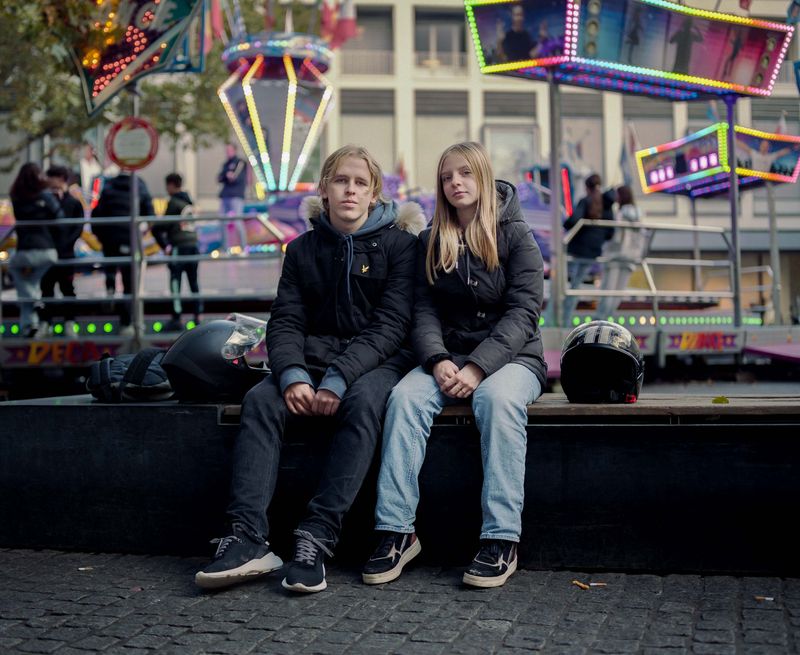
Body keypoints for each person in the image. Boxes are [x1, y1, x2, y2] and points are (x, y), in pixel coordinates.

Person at [195, 145, 425, 593]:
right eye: (341, 181)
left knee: (365, 402)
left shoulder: (401, 247)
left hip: (380, 359)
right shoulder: (301, 249)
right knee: (260, 401)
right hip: (314, 358)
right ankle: (247, 537)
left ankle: (317, 536)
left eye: (360, 183)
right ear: (324, 189)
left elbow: (392, 325)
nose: (350, 190)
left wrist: (337, 379)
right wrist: (293, 375)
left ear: (374, 193)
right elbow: (285, 321)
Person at [362, 142, 547, 589]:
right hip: (450, 356)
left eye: (464, 173)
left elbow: (524, 313)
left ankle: (501, 538)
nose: (455, 183)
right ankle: (396, 531)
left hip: (514, 358)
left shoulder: (517, 235)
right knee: (404, 398)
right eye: (447, 177)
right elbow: (423, 309)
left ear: (482, 176)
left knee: (497, 401)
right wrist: (437, 358)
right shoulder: (432, 239)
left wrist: (479, 368)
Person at [91, 172, 155, 335]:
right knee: (129, 281)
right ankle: (126, 322)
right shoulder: (140, 185)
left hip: (110, 237)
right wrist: (143, 230)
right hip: (129, 238)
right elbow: (150, 214)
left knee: (110, 266)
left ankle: (110, 286)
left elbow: (97, 213)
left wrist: (101, 236)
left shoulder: (109, 185)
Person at [8, 163, 61, 337]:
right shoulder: (45, 195)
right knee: (30, 284)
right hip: (47, 250)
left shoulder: (16, 196)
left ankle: (31, 313)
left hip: (25, 250)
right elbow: (58, 215)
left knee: (15, 270)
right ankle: (30, 323)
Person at [562, 173, 615, 325]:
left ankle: (564, 319)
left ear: (587, 187)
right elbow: (610, 232)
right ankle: (566, 318)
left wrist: (565, 224)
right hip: (593, 251)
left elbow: (573, 220)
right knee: (576, 284)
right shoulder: (607, 205)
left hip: (578, 249)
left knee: (568, 285)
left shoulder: (585, 201)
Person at [151, 173, 202, 332]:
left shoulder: (173, 203)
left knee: (175, 283)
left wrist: (164, 245)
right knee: (193, 282)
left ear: (171, 185)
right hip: (193, 247)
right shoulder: (189, 202)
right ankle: (198, 315)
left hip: (179, 247)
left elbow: (161, 226)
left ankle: (177, 317)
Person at [39, 166, 85, 337]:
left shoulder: (73, 203)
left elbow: (78, 228)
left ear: (61, 179)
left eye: (52, 177)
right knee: (46, 288)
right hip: (49, 252)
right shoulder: (44, 201)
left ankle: (69, 322)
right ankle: (46, 323)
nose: (49, 181)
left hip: (65, 253)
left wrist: (66, 244)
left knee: (67, 288)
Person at [596, 186, 649, 319]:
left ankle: (601, 320)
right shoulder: (638, 214)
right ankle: (609, 319)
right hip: (631, 257)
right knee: (618, 293)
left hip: (616, 256)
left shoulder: (620, 213)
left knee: (608, 291)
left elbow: (616, 237)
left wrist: (606, 248)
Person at [217, 143, 248, 252]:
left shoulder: (240, 162)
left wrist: (230, 177)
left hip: (236, 196)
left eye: (229, 150)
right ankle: (225, 249)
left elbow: (237, 178)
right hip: (225, 195)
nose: (228, 152)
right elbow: (220, 178)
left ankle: (244, 248)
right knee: (222, 222)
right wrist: (227, 176)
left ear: (234, 150)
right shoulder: (226, 164)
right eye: (227, 150)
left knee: (238, 222)